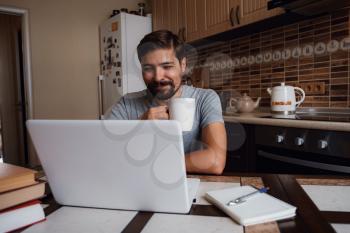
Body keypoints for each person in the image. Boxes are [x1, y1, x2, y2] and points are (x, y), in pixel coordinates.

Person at [107, 30, 227, 175]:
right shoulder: (127, 103)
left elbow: (215, 162)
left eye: (167, 66)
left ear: (183, 65)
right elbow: (105, 154)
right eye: (148, 68)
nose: (158, 77)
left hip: (191, 189)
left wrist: (157, 165)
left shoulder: (205, 99)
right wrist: (139, 127)